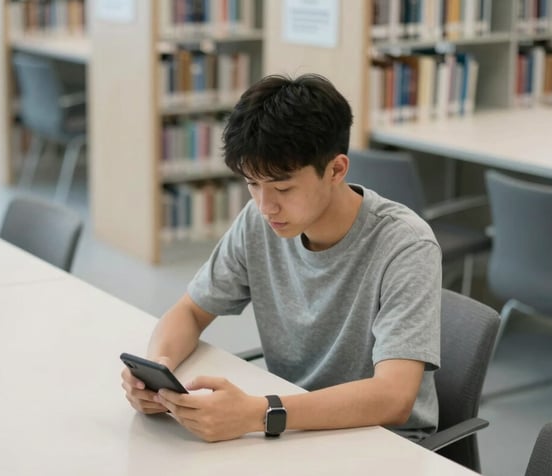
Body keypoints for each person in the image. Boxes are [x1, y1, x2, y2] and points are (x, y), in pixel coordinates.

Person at [121, 73, 442, 442]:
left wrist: (259, 413)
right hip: (295, 426)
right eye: (252, 184)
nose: (265, 205)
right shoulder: (260, 222)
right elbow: (190, 311)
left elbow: (394, 397)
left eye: (283, 188)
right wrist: (158, 370)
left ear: (336, 169)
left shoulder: (405, 245)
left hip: (384, 443)